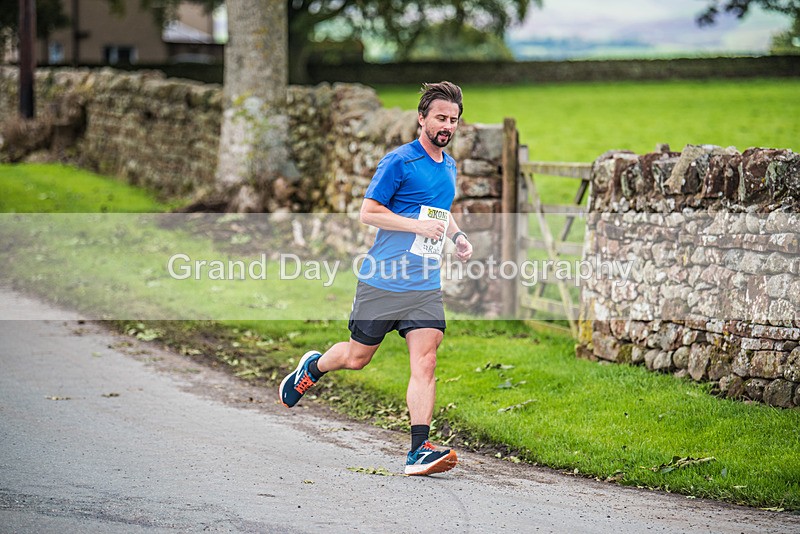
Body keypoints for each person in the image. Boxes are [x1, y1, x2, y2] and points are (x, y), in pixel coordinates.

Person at [279, 81, 473, 476]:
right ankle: (312, 369)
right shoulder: (399, 162)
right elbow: (368, 212)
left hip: (423, 283)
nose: (447, 126)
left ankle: (419, 450)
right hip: (383, 280)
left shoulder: (449, 165)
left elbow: (439, 211)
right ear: (421, 118)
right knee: (357, 357)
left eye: (453, 120)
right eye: (440, 117)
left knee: (427, 360)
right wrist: (415, 227)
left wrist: (457, 236)